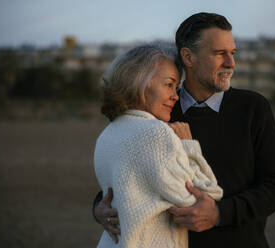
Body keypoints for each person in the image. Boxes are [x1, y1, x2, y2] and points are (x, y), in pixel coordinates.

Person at [94, 12, 275, 248]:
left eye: (232, 53)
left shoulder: (253, 108)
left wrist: (220, 213)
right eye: (220, 54)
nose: (231, 63)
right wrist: (98, 208)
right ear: (188, 56)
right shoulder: (160, 112)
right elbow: (127, 179)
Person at [93, 43, 223, 248]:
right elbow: (206, 196)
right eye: (169, 84)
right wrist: (189, 145)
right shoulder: (156, 133)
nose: (175, 96)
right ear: (141, 82)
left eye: (176, 87)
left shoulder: (107, 134)